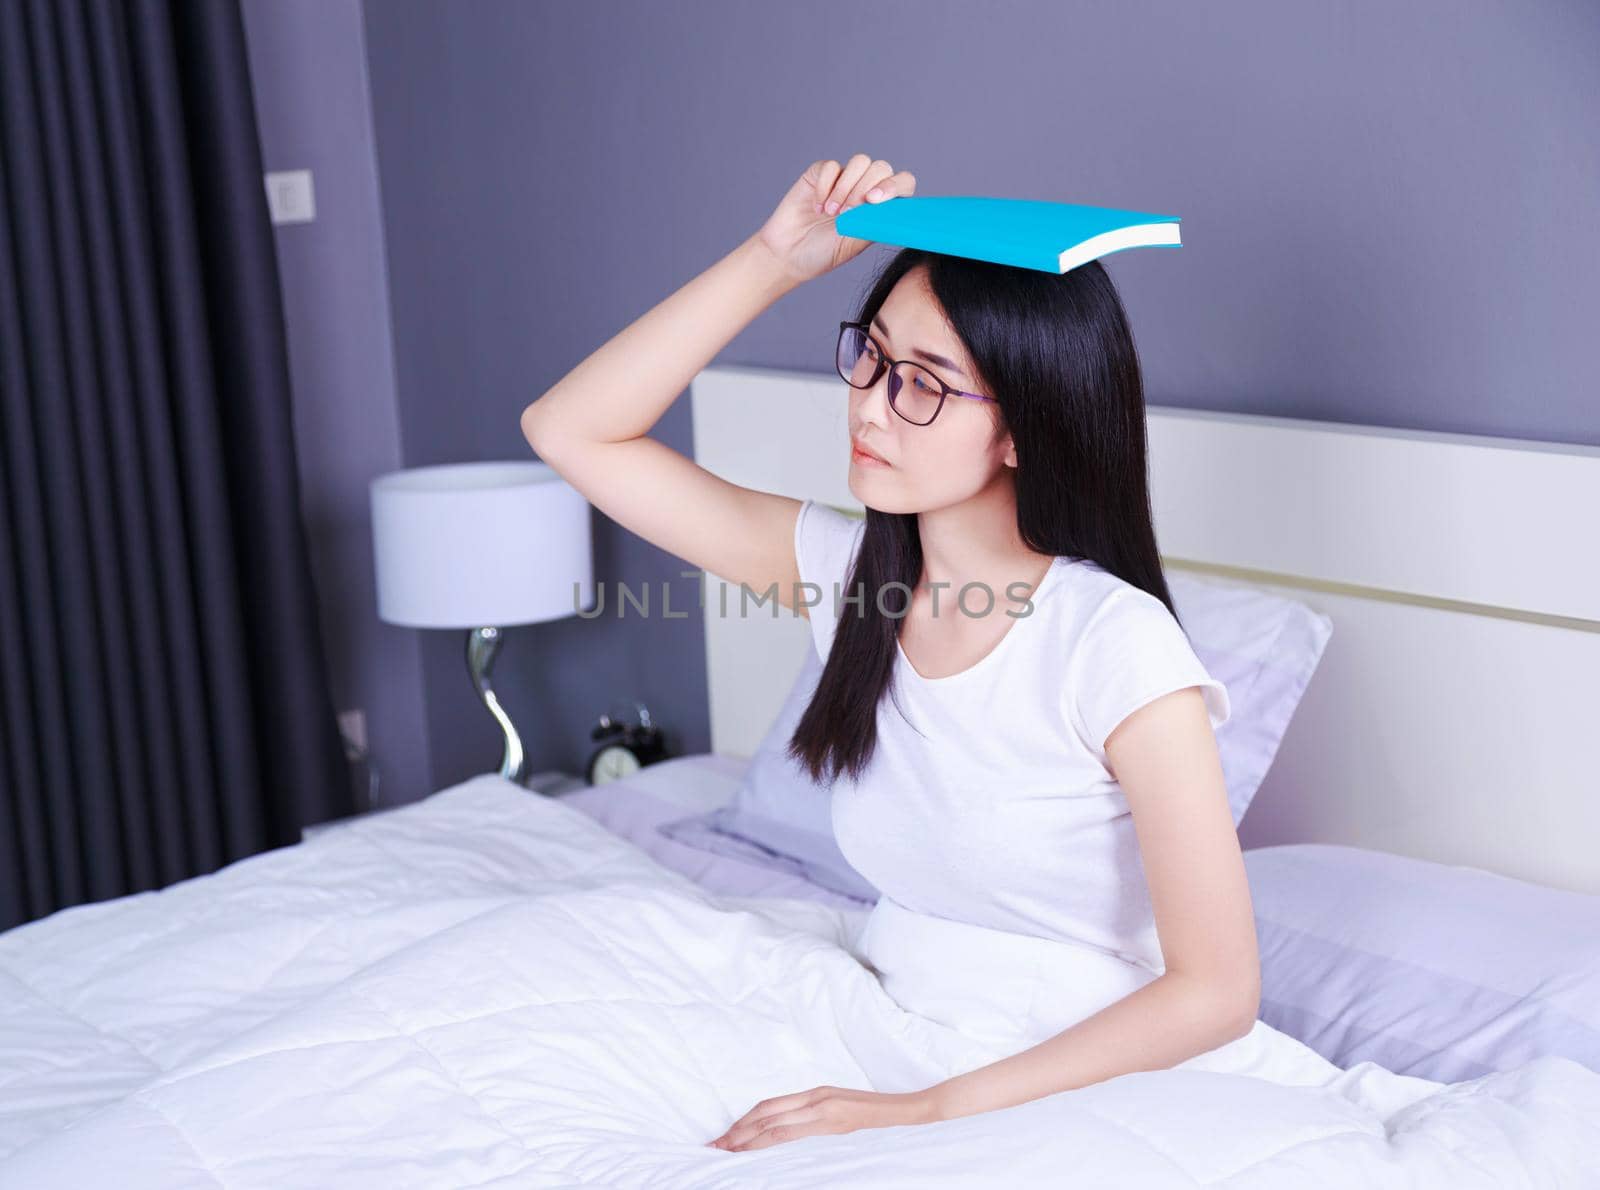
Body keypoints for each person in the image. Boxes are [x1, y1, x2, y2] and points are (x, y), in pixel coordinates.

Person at [521, 154, 1305, 1154]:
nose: (870, 405)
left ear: (1024, 429)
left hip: (1070, 1070)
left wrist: (926, 1109)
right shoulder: (854, 579)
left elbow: (1216, 991)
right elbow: (571, 429)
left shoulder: (1114, 645)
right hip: (890, 1016)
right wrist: (774, 261)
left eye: (925, 385)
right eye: (872, 357)